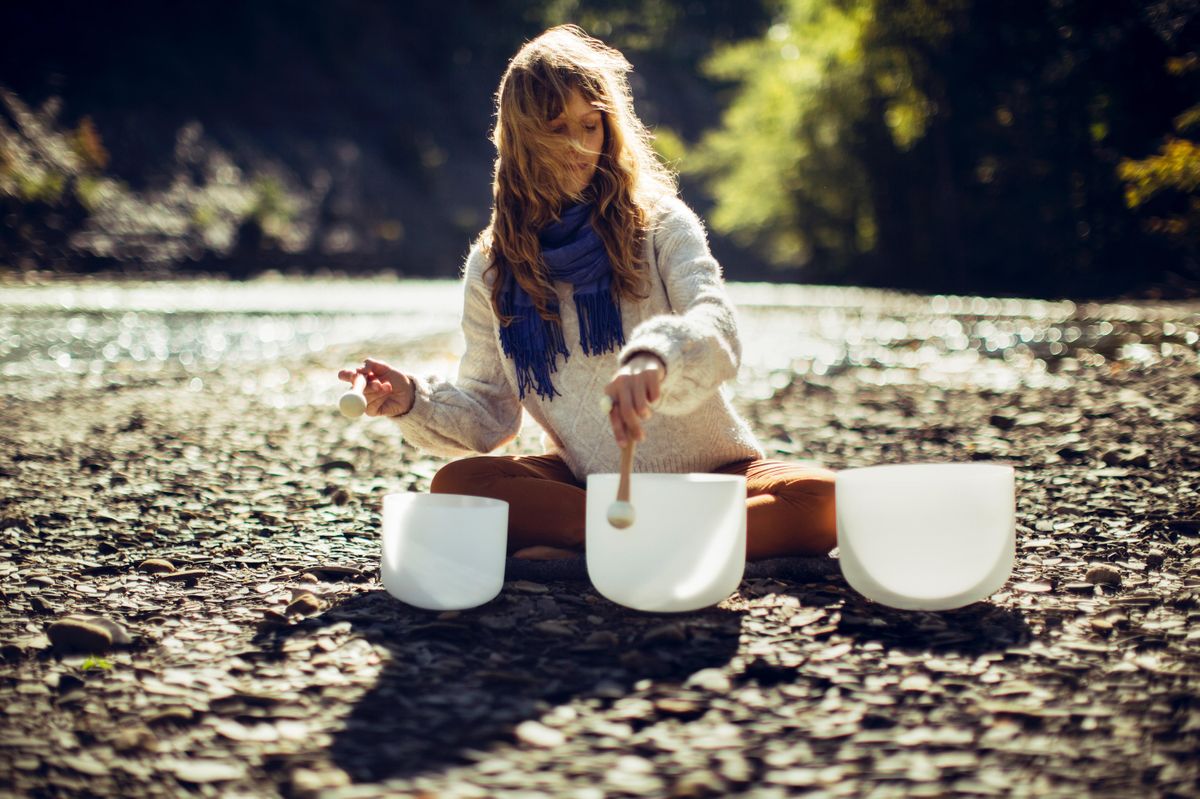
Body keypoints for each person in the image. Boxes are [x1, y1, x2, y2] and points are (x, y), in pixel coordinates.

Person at [339, 25, 835, 561]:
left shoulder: (662, 223)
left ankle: (611, 546)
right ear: (522, 138)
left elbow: (716, 324)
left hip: (716, 475)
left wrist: (657, 355)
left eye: (591, 126)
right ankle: (664, 546)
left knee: (826, 501)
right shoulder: (493, 266)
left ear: (610, 127)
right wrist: (411, 397)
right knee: (461, 482)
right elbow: (488, 413)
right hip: (587, 483)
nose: (579, 148)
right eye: (557, 129)